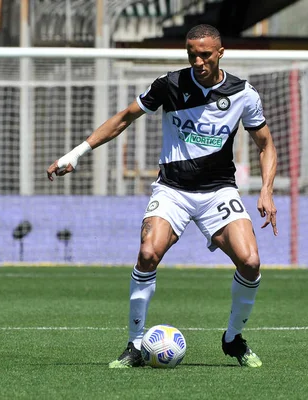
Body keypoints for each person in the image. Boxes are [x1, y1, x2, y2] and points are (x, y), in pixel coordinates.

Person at [47, 24, 278, 368]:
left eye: (205, 54)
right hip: (172, 190)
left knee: (251, 262)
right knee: (147, 253)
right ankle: (136, 345)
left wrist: (267, 190)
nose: (198, 61)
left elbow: (266, 144)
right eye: (191, 54)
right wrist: (77, 153)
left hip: (219, 192)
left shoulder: (243, 94)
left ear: (220, 52)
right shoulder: (169, 85)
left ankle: (233, 338)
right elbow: (125, 118)